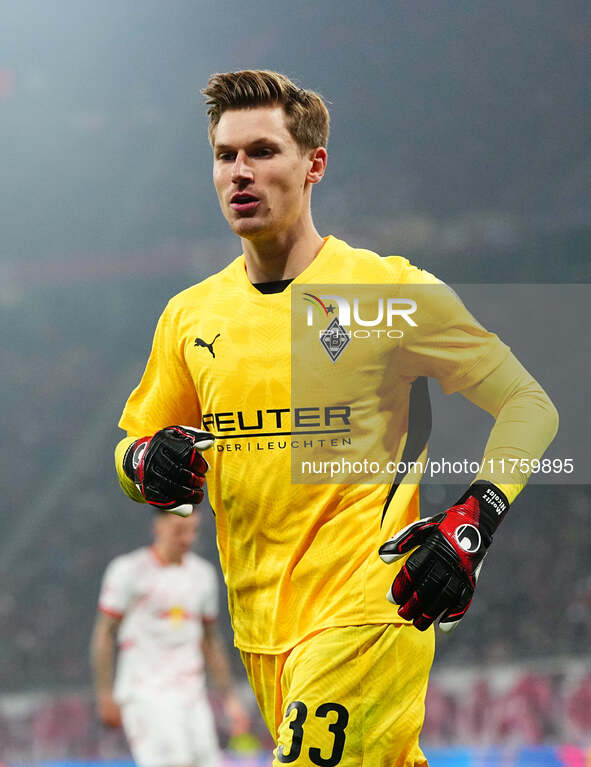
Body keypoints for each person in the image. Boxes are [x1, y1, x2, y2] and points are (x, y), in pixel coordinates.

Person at [113, 70, 558, 765]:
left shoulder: (389, 290)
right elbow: (132, 454)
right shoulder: (190, 315)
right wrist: (143, 463)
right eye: (224, 155)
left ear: (313, 164)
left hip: (370, 605)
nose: (239, 172)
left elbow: (530, 404)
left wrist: (475, 517)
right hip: (261, 628)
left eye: (261, 151)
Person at [90, 507, 248, 767]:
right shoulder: (129, 570)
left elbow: (210, 641)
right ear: (158, 528)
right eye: (179, 531)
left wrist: (230, 698)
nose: (187, 538)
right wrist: (105, 693)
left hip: (192, 695)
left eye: (192, 531)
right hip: (146, 692)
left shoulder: (202, 575)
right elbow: (105, 633)